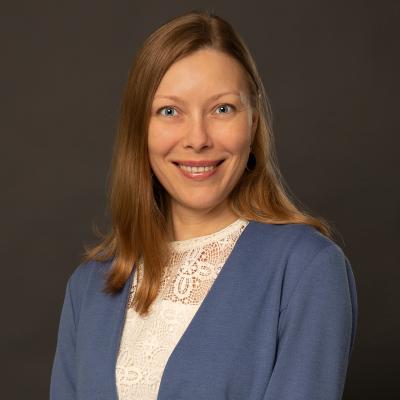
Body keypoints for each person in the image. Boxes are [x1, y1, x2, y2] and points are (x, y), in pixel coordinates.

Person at [50, 9, 358, 400]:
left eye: (222, 108)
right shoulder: (89, 286)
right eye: (169, 111)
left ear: (254, 122)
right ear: (139, 129)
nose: (197, 138)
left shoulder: (305, 269)